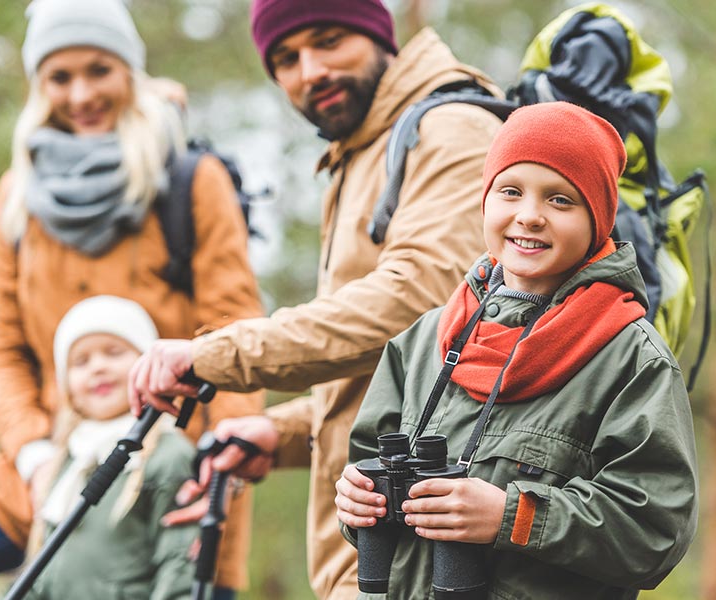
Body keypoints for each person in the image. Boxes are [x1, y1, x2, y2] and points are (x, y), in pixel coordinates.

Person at [128, 1, 503, 597]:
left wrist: (215, 354)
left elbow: (420, 307)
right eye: (286, 59)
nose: (310, 72)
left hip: (425, 555)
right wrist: (280, 433)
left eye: (329, 41)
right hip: (382, 549)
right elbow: (397, 382)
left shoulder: (450, 128)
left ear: (379, 34)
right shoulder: (366, 149)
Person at [0, 1, 263, 597]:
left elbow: (237, 330)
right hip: (42, 473)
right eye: (60, 77)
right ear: (39, 86)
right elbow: (3, 347)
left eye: (99, 70)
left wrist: (225, 464)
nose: (82, 93)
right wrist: (36, 455)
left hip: (167, 479)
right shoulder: (20, 195)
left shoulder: (192, 179)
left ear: (129, 72)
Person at [334, 102, 699, 599]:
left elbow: (654, 531)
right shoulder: (423, 342)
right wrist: (356, 503)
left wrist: (514, 517)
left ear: (598, 220)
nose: (529, 216)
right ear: (485, 201)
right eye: (510, 191)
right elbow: (367, 465)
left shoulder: (631, 360)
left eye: (560, 201)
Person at [24, 296, 200, 599]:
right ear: (68, 388)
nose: (98, 367)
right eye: (81, 361)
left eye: (114, 352)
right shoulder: (67, 461)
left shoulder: (168, 456)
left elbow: (178, 566)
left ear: (148, 366)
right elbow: (42, 568)